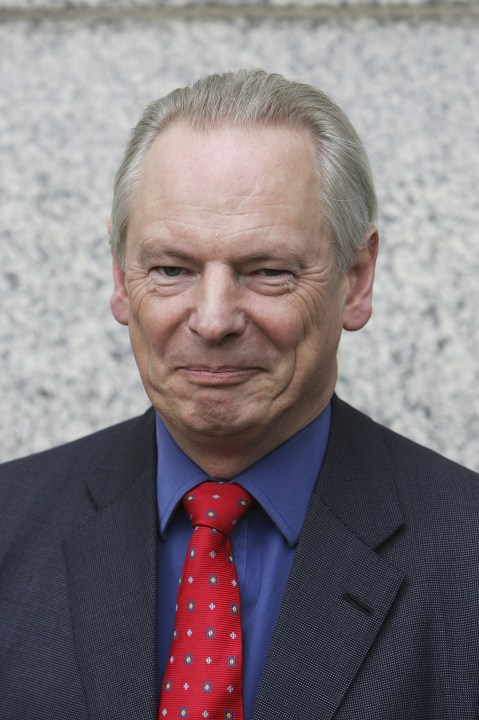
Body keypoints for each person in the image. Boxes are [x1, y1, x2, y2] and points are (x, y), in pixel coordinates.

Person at [1, 69, 478, 720]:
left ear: (357, 279)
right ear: (120, 278)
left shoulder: (465, 555)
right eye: (172, 269)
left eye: (267, 272)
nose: (213, 319)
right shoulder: (10, 524)